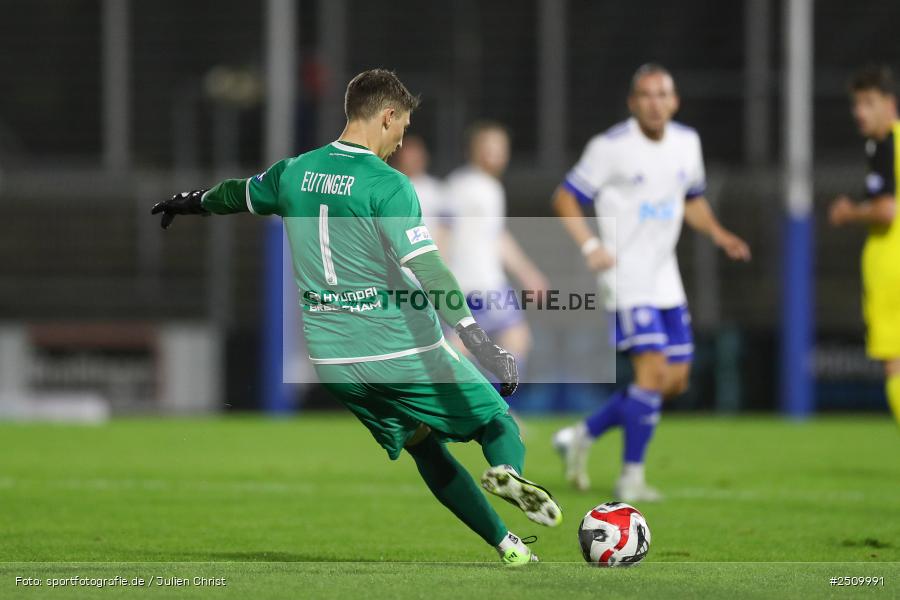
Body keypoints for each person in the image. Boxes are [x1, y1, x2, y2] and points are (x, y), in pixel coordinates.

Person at [152, 69, 561, 564]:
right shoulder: (389, 186)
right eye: (402, 127)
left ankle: (508, 546)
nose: (401, 139)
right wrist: (477, 339)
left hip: (336, 362)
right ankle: (506, 473)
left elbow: (237, 193)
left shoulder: (293, 172)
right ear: (387, 116)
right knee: (497, 422)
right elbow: (428, 266)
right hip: (398, 346)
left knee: (426, 449)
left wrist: (192, 201)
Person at [551, 63, 751, 500]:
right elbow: (565, 196)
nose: (655, 103)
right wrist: (590, 246)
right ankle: (631, 478)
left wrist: (718, 233)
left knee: (673, 381)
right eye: (646, 95)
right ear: (632, 103)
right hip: (625, 276)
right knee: (652, 371)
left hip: (665, 277)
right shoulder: (610, 147)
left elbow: (692, 199)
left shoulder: (687, 143)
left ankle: (582, 435)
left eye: (663, 94)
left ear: (675, 101)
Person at [441, 122, 548, 389]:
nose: (495, 154)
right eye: (488, 148)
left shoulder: (490, 187)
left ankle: (488, 409)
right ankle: (476, 408)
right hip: (472, 283)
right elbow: (442, 232)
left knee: (510, 340)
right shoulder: (462, 185)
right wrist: (436, 279)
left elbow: (497, 237)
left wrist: (528, 273)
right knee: (466, 349)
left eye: (500, 148)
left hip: (489, 282)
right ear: (473, 151)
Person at [828, 64, 900, 427]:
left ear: (890, 103)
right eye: (857, 104)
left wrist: (849, 212)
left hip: (892, 268)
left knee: (896, 365)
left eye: (869, 102)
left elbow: (887, 209)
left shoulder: (884, 143)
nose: (860, 112)